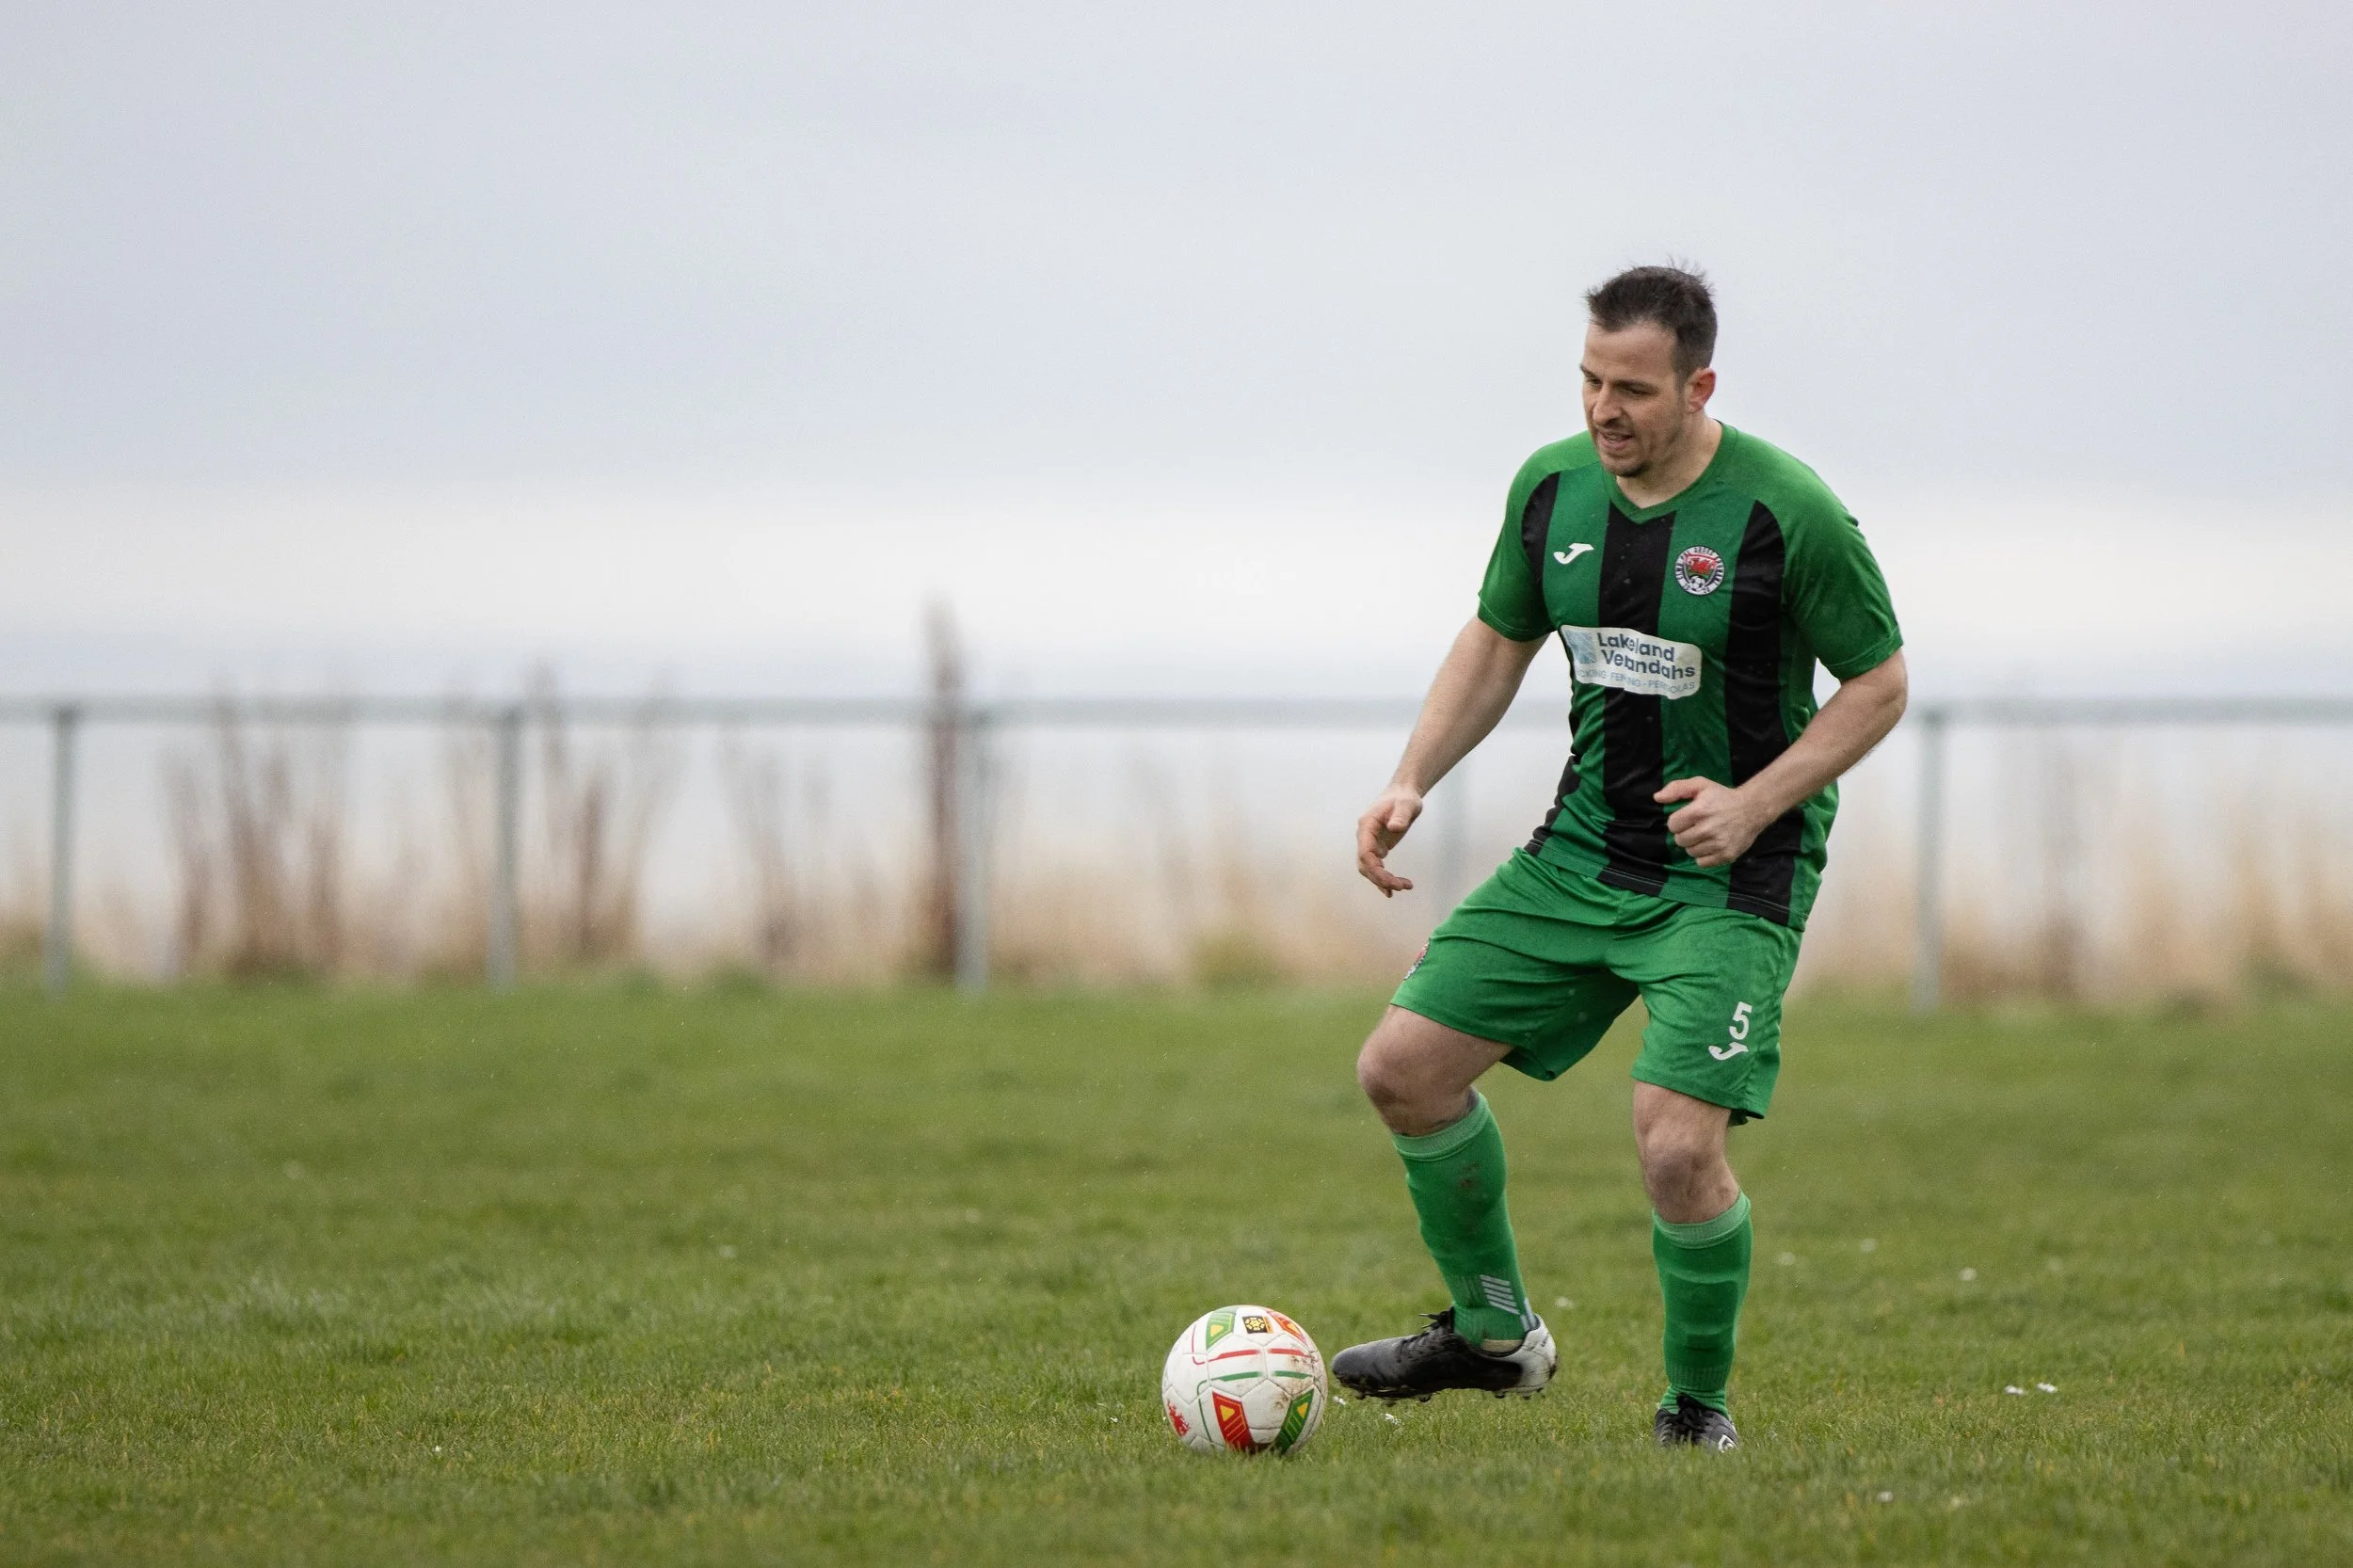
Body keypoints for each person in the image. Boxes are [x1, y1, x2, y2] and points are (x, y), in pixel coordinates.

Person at [1331, 265, 1907, 1450]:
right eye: (1591, 380)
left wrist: (1753, 804)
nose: (1605, 409)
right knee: (1402, 1069)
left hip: (1730, 876)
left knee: (1675, 1142)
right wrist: (1409, 777)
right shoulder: (1551, 489)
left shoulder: (1785, 511)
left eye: (1634, 389)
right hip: (1582, 851)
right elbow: (1498, 639)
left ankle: (1696, 1410)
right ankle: (1494, 1341)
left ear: (1699, 386)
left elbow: (1881, 683)